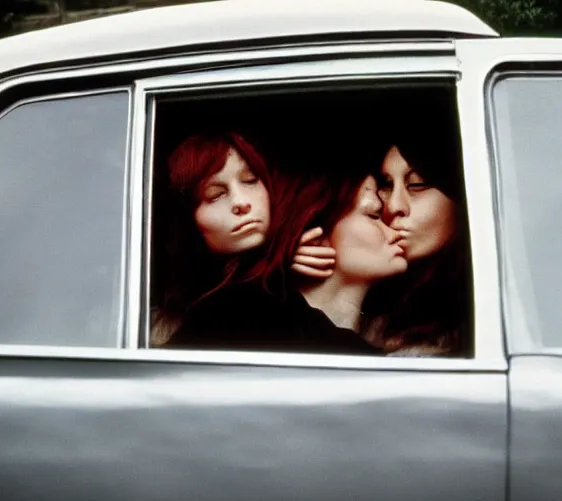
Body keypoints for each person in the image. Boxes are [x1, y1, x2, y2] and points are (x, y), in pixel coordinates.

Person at [164, 156, 407, 355]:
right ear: (314, 229)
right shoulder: (231, 320)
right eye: (374, 215)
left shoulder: (400, 341)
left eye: (249, 180)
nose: (393, 230)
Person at [292, 126, 471, 357]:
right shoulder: (375, 288)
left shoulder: (472, 315)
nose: (393, 206)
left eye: (417, 184)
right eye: (386, 185)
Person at [150, 131, 278, 346]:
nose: (240, 202)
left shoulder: (293, 277)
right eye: (215, 195)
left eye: (250, 180)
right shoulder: (201, 318)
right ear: (190, 221)